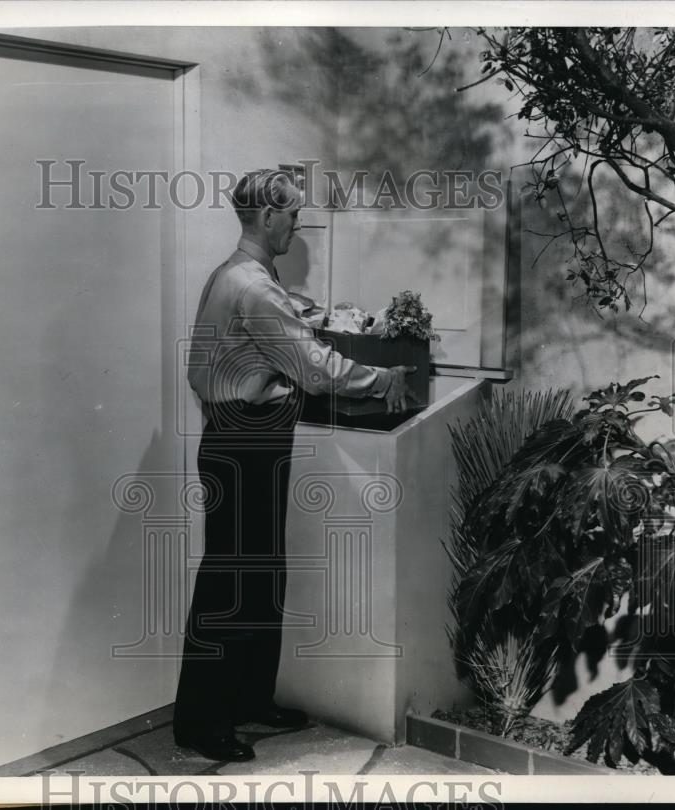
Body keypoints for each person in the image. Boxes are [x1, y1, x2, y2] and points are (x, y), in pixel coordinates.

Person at [173, 168, 416, 762]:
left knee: (261, 573)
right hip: (245, 442)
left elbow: (246, 352)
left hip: (239, 436)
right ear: (265, 217)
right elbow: (313, 368)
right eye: (291, 215)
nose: (297, 223)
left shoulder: (232, 276)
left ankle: (250, 698)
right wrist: (382, 376)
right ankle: (201, 723)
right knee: (232, 581)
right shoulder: (254, 286)